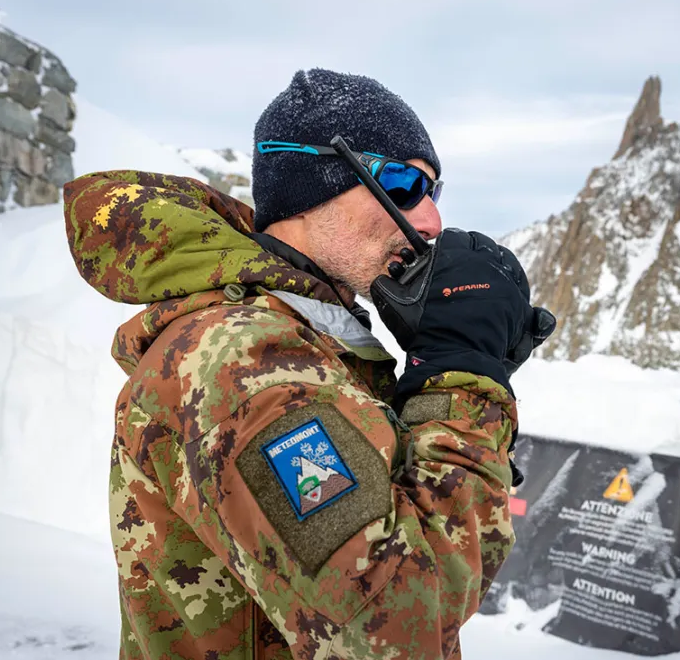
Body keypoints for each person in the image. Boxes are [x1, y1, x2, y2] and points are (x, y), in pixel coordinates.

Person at [63, 68, 554, 660]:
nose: (430, 221)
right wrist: (462, 377)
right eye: (401, 184)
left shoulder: (306, 341)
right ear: (311, 182)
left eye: (434, 192)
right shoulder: (246, 364)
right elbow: (401, 624)